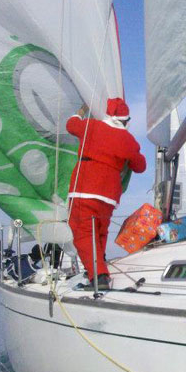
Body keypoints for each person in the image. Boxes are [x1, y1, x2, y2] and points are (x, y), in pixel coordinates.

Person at [67, 98, 146, 289]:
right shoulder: (128, 140)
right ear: (126, 120)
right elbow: (140, 167)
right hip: (109, 195)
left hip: (84, 189)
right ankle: (98, 268)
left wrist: (82, 110)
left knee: (83, 232)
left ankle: (99, 277)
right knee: (100, 231)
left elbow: (71, 125)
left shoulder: (91, 126)